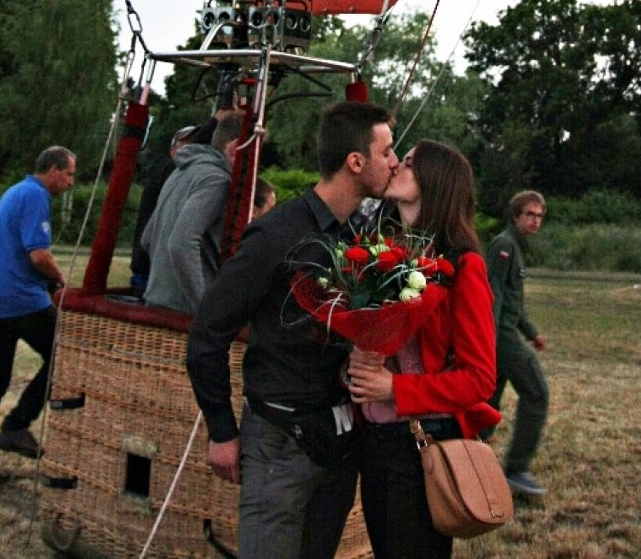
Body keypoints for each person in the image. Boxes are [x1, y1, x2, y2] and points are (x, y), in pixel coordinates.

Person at [186, 101, 398, 559]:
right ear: (355, 162)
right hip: (280, 441)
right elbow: (207, 333)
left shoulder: (352, 241)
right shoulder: (277, 234)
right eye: (387, 152)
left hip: (337, 441)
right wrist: (222, 429)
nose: (395, 162)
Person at [346, 140, 498, 559]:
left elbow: (480, 378)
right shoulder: (388, 253)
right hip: (376, 440)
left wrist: (395, 388)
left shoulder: (465, 266)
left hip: (420, 443)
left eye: (409, 163)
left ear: (435, 181)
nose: (396, 166)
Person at [0, 145, 76, 487]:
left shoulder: (14, 191)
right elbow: (38, 255)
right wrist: (59, 278)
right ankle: (17, 425)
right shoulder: (36, 197)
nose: (70, 182)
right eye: (68, 174)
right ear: (52, 169)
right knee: (63, 355)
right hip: (19, 298)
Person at [142, 113, 244, 315]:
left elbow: (147, 239)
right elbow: (181, 243)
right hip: (184, 314)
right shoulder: (216, 180)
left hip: (155, 303)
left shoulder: (181, 171)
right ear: (235, 148)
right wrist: (206, 310)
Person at [486, 190, 549, 496]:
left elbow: (515, 303)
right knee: (536, 392)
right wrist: (489, 342)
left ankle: (469, 462)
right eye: (530, 215)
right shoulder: (504, 245)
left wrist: (533, 332)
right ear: (515, 216)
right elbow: (493, 296)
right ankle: (517, 469)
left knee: (486, 406)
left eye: (539, 216)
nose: (535, 221)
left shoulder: (516, 246)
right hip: (500, 337)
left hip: (505, 333)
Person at [129, 124, 199, 293]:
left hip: (154, 267)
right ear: (173, 151)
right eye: (187, 146)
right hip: (153, 271)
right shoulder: (168, 169)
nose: (194, 151)